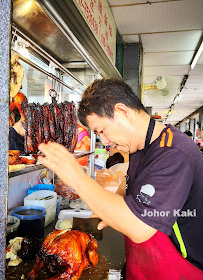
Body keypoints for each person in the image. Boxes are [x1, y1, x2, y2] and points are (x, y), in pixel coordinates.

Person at [38, 79, 203, 279]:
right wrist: (112, 212)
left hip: (178, 270)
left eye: (102, 131)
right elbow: (137, 200)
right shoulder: (140, 147)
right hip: (144, 267)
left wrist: (75, 175)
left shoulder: (174, 152)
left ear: (122, 112)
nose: (105, 142)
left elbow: (139, 226)